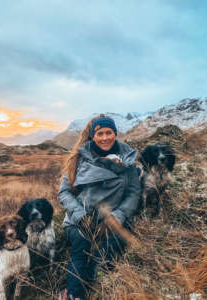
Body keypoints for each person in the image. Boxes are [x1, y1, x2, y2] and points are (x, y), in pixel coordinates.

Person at [58, 114, 140, 300]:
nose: (105, 138)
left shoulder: (128, 160)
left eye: (108, 132)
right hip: (81, 218)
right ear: (92, 137)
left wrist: (116, 218)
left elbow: (133, 194)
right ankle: (73, 295)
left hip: (113, 219)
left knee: (104, 254)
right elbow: (64, 193)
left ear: (115, 133)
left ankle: (94, 287)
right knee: (82, 247)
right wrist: (80, 215)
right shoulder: (79, 159)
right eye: (100, 133)